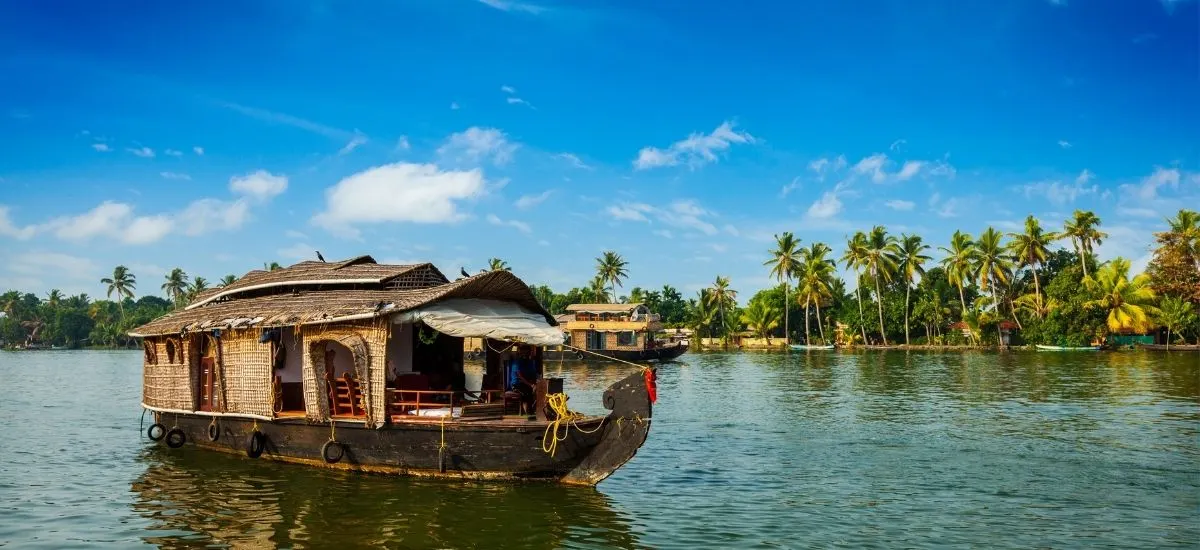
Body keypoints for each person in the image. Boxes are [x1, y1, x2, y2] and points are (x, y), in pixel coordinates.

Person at [507, 346, 538, 410]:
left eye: (527, 352)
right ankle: (527, 410)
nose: (525, 354)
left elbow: (533, 374)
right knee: (526, 392)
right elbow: (520, 376)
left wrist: (535, 383)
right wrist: (531, 385)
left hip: (527, 383)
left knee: (538, 390)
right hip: (516, 384)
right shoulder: (516, 362)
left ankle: (533, 408)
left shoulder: (530, 362)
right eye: (524, 352)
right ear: (520, 352)